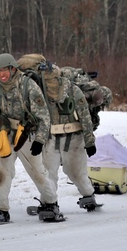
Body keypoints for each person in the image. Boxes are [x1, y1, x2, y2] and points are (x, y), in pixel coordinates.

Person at [0, 53, 60, 223]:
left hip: (27, 135)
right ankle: (1, 210)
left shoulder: (28, 86)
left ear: (13, 68)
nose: (2, 74)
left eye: (5, 70)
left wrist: (39, 140)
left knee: (38, 172)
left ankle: (51, 203)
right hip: (5, 134)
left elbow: (43, 116)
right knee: (0, 172)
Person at [19, 56, 100, 212]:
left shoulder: (72, 90)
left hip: (75, 137)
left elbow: (85, 116)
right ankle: (48, 202)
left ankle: (88, 194)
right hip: (51, 138)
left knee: (75, 171)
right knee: (49, 173)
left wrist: (90, 142)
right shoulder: (40, 92)